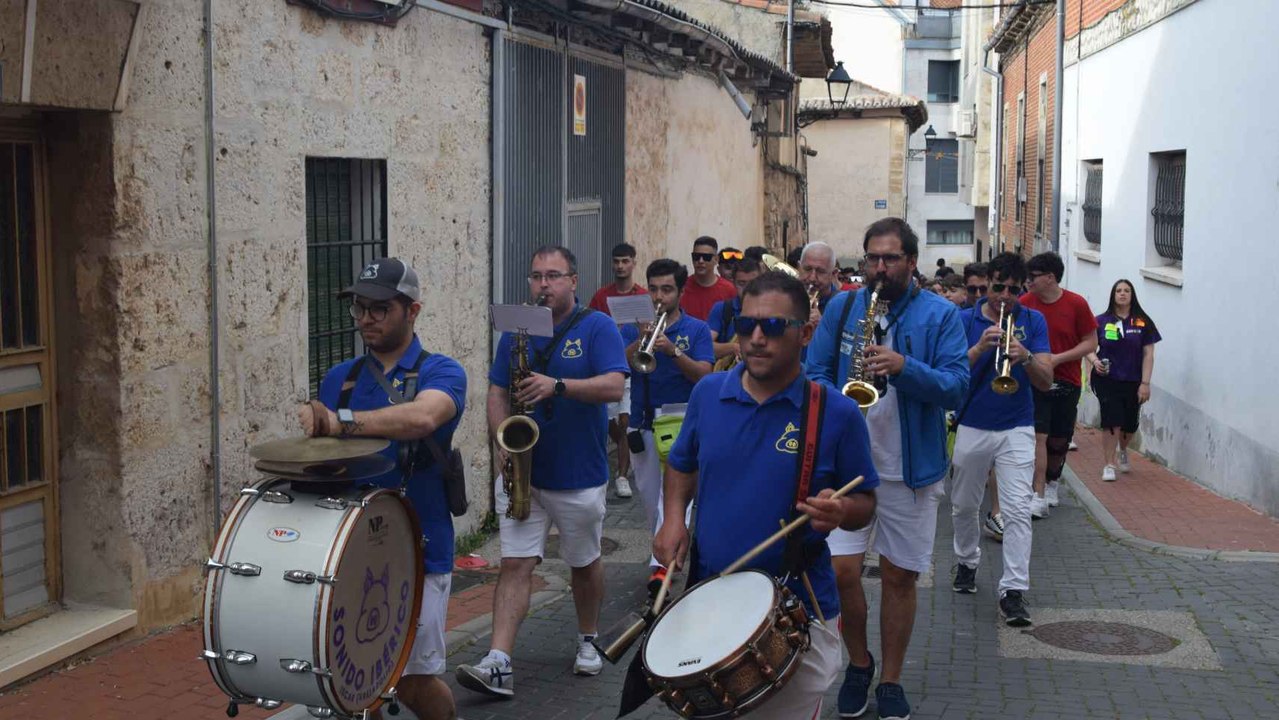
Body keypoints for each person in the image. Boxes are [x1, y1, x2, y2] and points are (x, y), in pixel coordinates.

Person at [654, 271, 880, 720]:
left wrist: (840, 511)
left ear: (806, 333)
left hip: (793, 612)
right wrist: (674, 518)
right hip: (711, 596)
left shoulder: (835, 411)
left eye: (773, 327)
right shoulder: (708, 393)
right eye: (745, 324)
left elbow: (865, 505)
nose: (756, 338)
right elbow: (682, 463)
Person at [807, 217, 969, 720]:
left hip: (910, 470)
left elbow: (957, 385)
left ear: (912, 262)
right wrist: (840, 400)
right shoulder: (844, 306)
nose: (879, 268)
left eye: (890, 259)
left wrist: (903, 368)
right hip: (848, 467)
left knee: (900, 578)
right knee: (839, 572)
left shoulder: (940, 314)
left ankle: (892, 680)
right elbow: (813, 373)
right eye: (872, 258)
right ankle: (859, 662)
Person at [455, 246, 628, 697]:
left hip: (579, 471)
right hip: (525, 469)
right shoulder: (516, 331)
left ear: (574, 280)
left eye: (553, 276)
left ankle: (588, 637)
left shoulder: (598, 326)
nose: (543, 285)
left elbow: (614, 383)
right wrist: (500, 442)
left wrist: (559, 386)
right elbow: (497, 391)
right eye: (536, 277)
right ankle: (499, 661)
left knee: (583, 561)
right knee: (514, 563)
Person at [301, 257, 466, 720]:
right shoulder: (341, 378)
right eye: (359, 308)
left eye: (379, 309)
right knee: (356, 675)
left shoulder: (442, 371)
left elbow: (423, 417)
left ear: (412, 311)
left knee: (412, 680)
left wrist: (340, 421)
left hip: (419, 547)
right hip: (353, 552)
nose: (366, 319)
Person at [950, 252, 1053, 627]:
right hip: (973, 424)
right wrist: (979, 348)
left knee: (1016, 510)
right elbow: (949, 373)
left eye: (1013, 289)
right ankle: (966, 560)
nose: (1005, 296)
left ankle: (1013, 590)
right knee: (964, 505)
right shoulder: (963, 319)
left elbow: (1046, 380)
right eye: (998, 287)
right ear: (987, 284)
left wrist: (1025, 357)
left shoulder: (1033, 320)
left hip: (1017, 426)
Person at [621, 258, 714, 594]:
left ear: (681, 291)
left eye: (667, 289)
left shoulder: (696, 330)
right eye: (654, 289)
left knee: (675, 499)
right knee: (650, 501)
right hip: (643, 422)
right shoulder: (635, 326)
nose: (659, 296)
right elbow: (618, 364)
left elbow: (705, 374)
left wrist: (673, 351)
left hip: (681, 423)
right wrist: (639, 340)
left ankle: (660, 569)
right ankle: (664, 550)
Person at [1020, 252, 1098, 517]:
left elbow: (1090, 342)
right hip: (1036, 378)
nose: (1028, 283)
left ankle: (1053, 480)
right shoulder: (1025, 304)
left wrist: (1058, 359)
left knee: (1058, 439)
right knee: (1038, 436)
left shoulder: (1076, 304)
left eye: (1033, 277)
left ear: (1050, 278)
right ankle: (1037, 493)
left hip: (1067, 379)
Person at [589, 243, 648, 499]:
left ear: (634, 263)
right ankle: (605, 471)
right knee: (609, 424)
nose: (620, 266)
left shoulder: (643, 296)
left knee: (624, 424)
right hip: (608, 368)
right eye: (616, 261)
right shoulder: (602, 296)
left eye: (625, 261)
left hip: (635, 370)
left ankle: (622, 475)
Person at [1085, 279, 1160, 481]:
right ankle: (1109, 464)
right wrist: (1094, 361)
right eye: (1118, 290)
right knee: (1111, 420)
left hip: (1134, 379)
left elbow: (1148, 354)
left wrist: (1145, 383)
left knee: (1129, 424)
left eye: (1127, 290)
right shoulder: (1100, 321)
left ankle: (1123, 449)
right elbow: (1088, 346)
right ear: (1113, 295)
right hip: (1107, 379)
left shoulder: (1143, 322)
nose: (1123, 294)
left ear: (1132, 295)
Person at [707, 257, 763, 368]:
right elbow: (705, 346)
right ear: (733, 282)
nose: (747, 289)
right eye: (741, 283)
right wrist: (734, 348)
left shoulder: (771, 310)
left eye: (752, 283)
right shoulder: (722, 308)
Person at [679, 236, 738, 320]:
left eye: (706, 257)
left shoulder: (729, 290)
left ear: (716, 259)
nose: (701, 261)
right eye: (696, 256)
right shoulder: (681, 288)